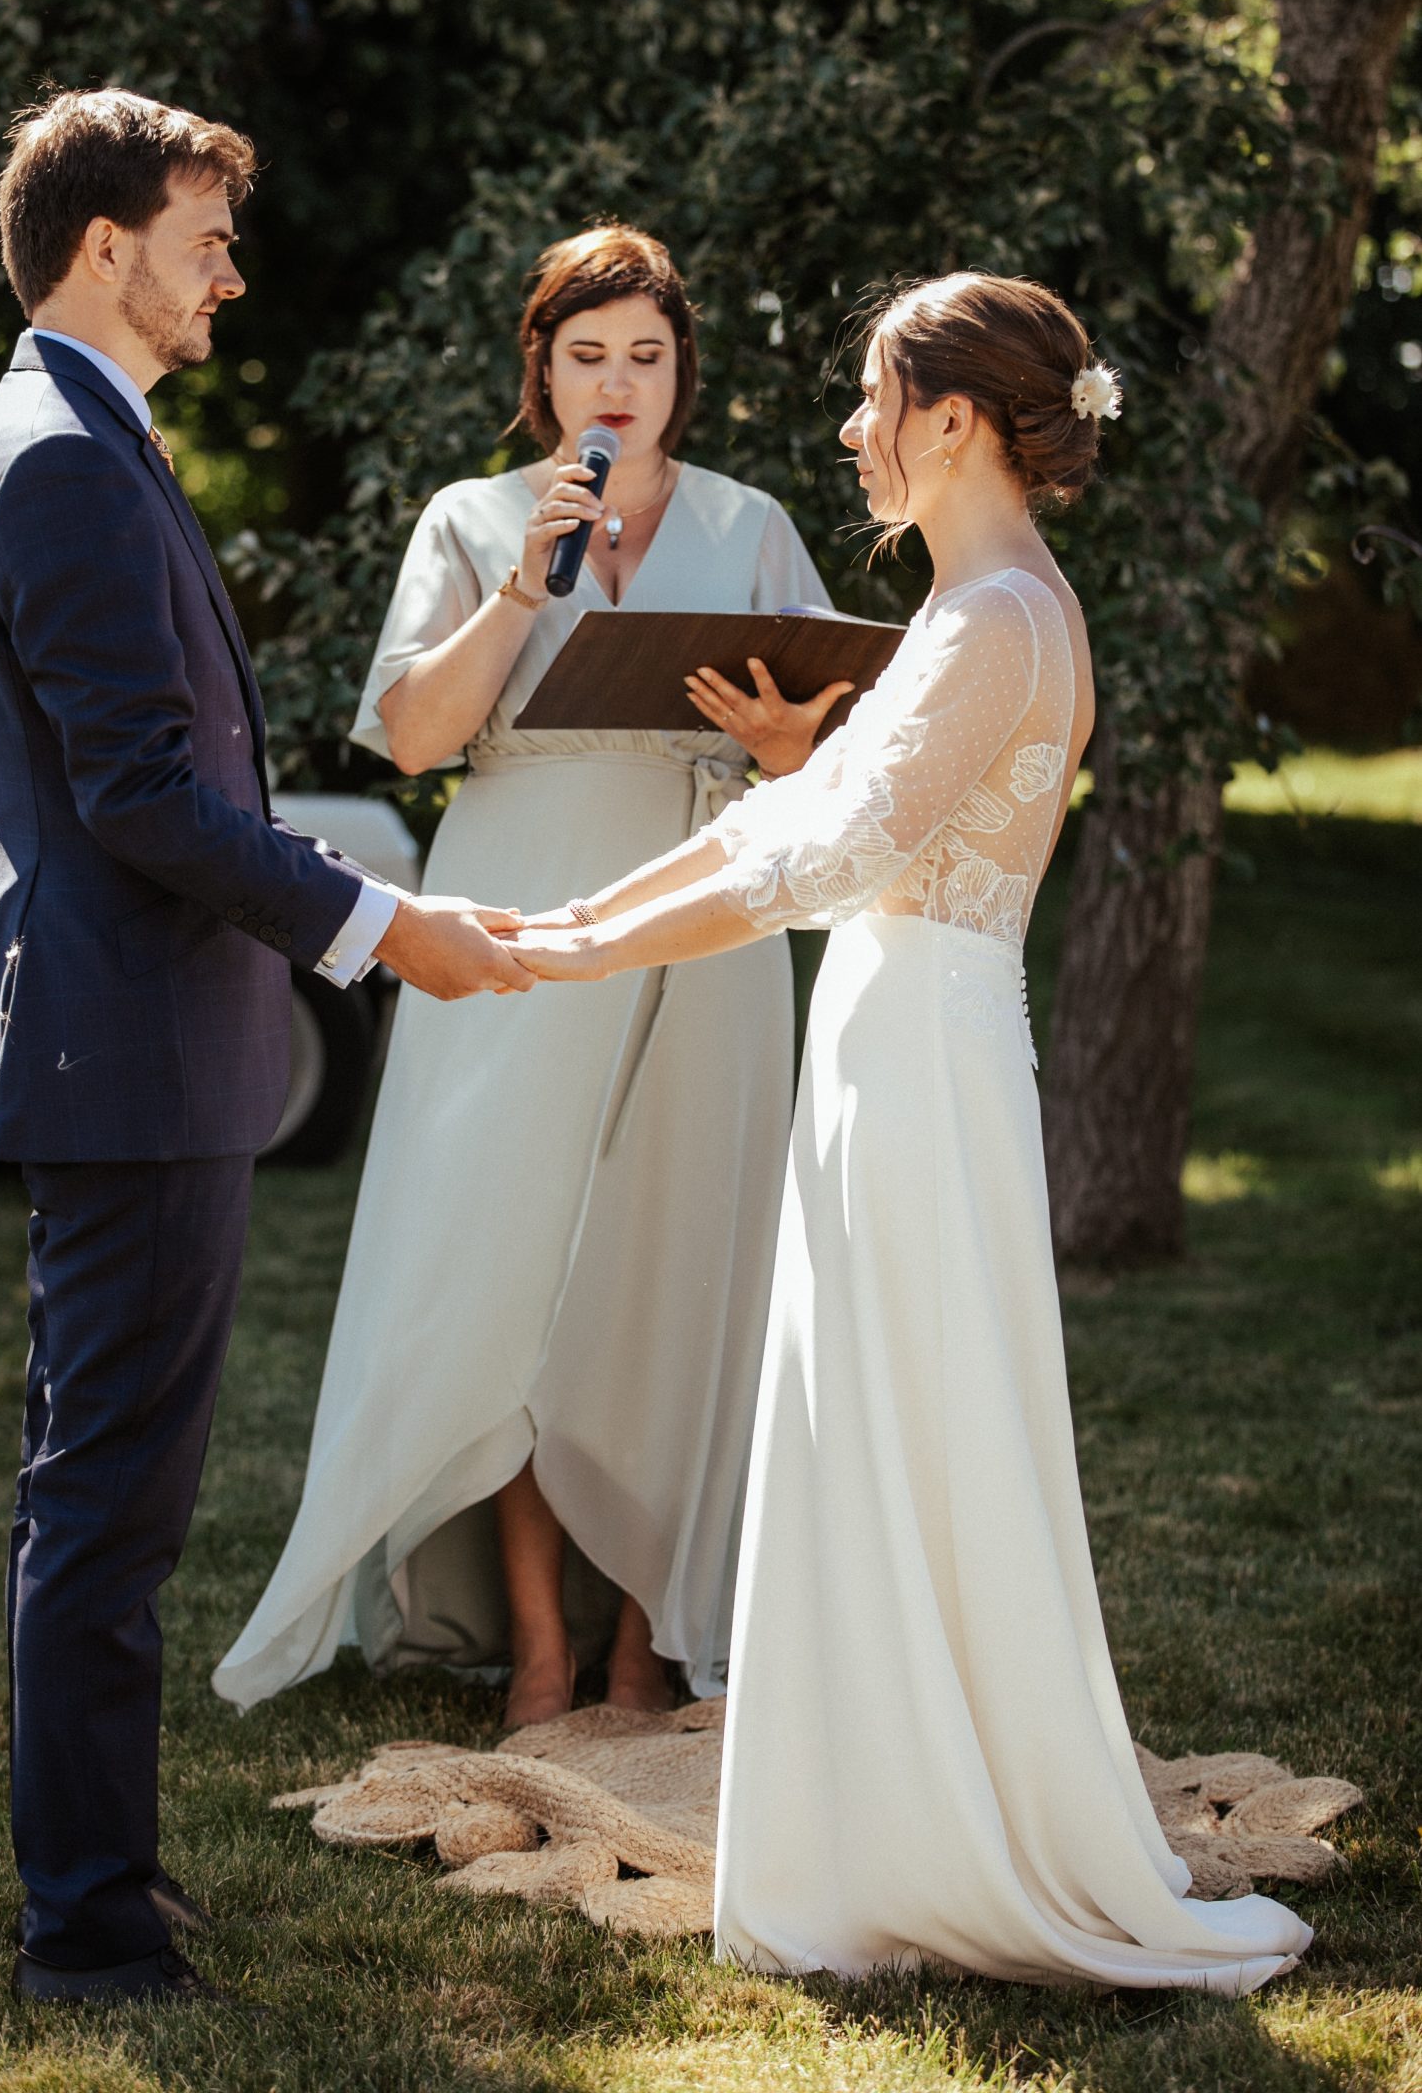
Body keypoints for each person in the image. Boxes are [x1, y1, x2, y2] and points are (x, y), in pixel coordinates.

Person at [506, 273, 1311, 1991]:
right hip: (898, 1049)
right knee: (877, 1424)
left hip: (923, 1068)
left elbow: (807, 865)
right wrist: (562, 925)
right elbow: (803, 821)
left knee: (909, 1428)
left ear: (956, 421)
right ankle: (884, 1814)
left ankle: (932, 1839)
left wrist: (560, 947)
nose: (856, 431)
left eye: (876, 401)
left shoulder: (1002, 620)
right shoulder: (979, 615)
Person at [0, 87, 532, 2007]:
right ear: (106, 250)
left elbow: (165, 779)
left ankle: (104, 1879)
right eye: (206, 240)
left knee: (109, 1494)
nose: (230, 276)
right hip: (127, 1047)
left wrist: (327, 866)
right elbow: (136, 799)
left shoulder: (78, 438)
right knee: (106, 1505)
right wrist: (383, 930)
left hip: (132, 1034)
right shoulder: (65, 462)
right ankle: (86, 1930)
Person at [215, 225, 848, 1728]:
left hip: (704, 911)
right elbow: (419, 740)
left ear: (683, 370)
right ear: (541, 373)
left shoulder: (753, 521)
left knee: (681, 1263)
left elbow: (839, 740)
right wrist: (519, 590)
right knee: (512, 1268)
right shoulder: (471, 519)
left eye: (647, 355)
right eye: (588, 358)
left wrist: (787, 751)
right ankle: (540, 1653)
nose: (619, 384)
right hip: (510, 913)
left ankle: (644, 1644)